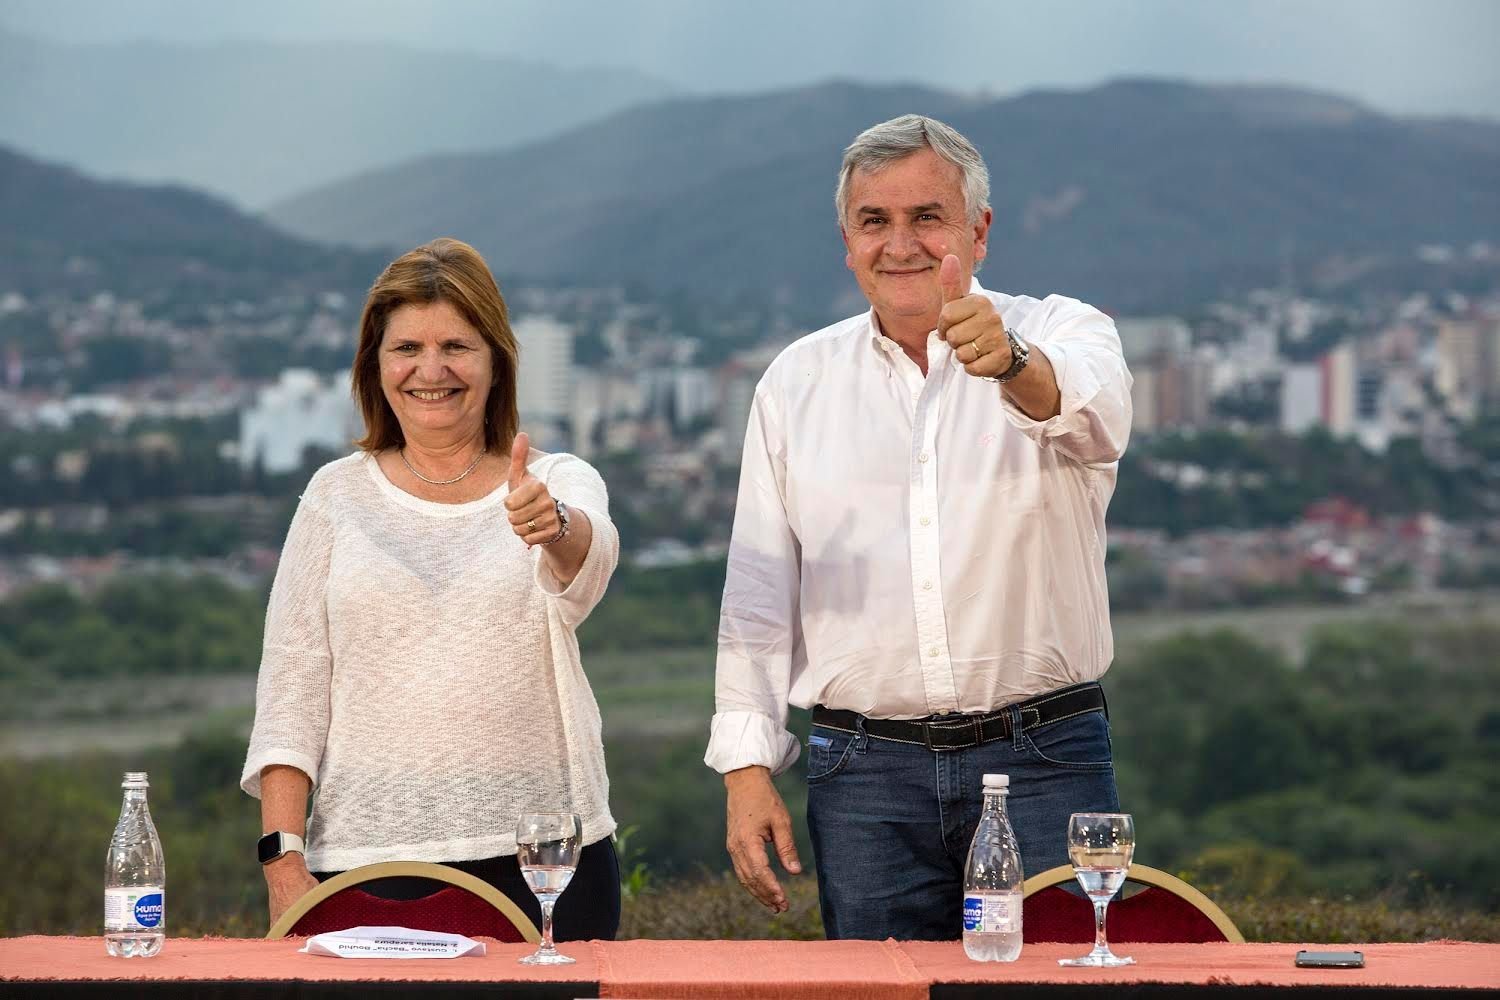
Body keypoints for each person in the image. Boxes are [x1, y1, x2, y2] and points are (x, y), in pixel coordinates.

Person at [706, 115, 1133, 940]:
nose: (899, 243)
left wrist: (1009, 360)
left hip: (1045, 757)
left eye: (927, 217)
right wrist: (747, 766)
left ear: (979, 230)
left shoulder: (1061, 331)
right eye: (875, 221)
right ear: (847, 241)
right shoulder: (795, 382)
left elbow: (1095, 417)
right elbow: (759, 593)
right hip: (864, 775)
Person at [241, 237, 621, 939]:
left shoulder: (555, 480)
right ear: (375, 366)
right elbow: (291, 690)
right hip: (360, 868)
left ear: (495, 360)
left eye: (456, 346)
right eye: (406, 348)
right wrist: (281, 860)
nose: (431, 369)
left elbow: (586, 562)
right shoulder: (334, 496)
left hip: (545, 865)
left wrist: (553, 524)